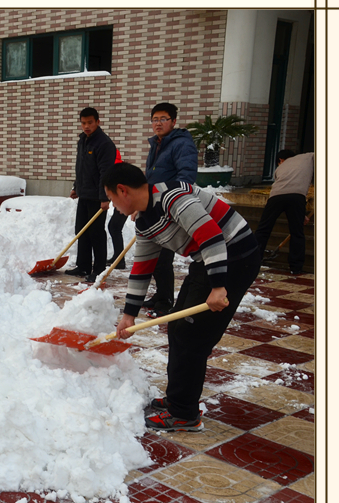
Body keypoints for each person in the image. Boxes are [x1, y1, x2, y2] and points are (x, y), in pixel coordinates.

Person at [104, 162, 260, 431]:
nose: (114, 207)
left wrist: (219, 286)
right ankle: (178, 399)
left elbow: (211, 236)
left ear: (123, 191)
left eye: (112, 200)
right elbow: (142, 268)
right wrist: (129, 315)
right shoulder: (144, 221)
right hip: (207, 260)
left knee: (192, 336)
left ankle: (184, 413)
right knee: (177, 327)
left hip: (236, 255)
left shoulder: (172, 197)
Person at [142, 102, 198, 317]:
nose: (158, 123)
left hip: (170, 207)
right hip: (154, 206)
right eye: (155, 119)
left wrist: (171, 203)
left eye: (163, 119)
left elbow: (186, 177)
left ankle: (165, 302)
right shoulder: (157, 144)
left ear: (173, 122)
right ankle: (160, 295)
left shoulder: (181, 144)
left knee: (163, 258)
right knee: (157, 257)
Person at [65, 107, 117, 283]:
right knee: (82, 231)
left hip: (97, 197)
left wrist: (104, 197)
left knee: (96, 233)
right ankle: (83, 265)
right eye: (83, 123)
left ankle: (99, 269)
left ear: (98, 122)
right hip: (84, 193)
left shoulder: (104, 144)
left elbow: (106, 172)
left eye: (90, 123)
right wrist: (76, 187)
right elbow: (81, 168)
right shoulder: (83, 140)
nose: (86, 126)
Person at [253, 150, 313, 275]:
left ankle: (253, 261)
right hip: (297, 197)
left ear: (281, 160)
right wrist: (301, 215)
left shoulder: (279, 169)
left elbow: (286, 187)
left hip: (275, 197)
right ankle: (296, 267)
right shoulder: (308, 157)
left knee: (263, 230)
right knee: (297, 232)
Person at [107, 148, 127, 269]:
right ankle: (118, 258)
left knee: (114, 227)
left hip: (124, 203)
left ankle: (120, 260)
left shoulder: (115, 169)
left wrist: (117, 200)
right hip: (122, 202)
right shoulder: (118, 166)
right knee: (114, 227)